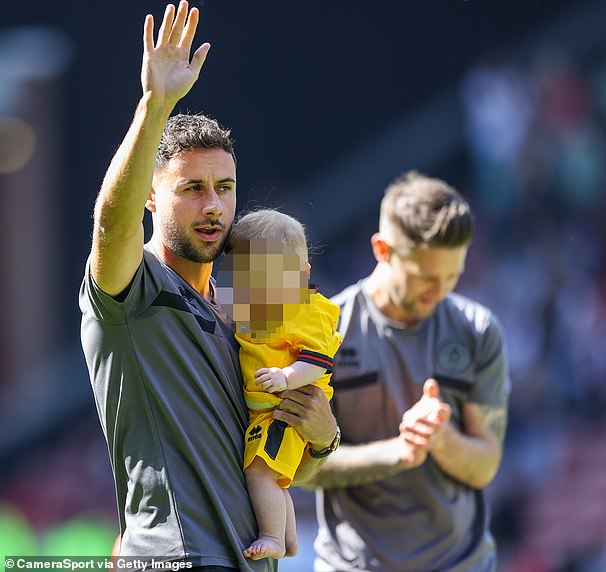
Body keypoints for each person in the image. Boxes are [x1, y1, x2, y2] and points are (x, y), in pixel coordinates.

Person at [78, 3, 338, 570]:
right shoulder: (133, 289)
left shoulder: (249, 312)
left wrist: (322, 437)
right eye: (191, 187)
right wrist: (155, 106)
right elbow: (111, 224)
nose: (213, 205)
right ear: (153, 197)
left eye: (224, 187)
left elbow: (280, 456)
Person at [307, 171, 511, 572]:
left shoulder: (478, 331)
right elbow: (301, 470)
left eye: (453, 276)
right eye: (425, 277)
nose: (440, 292)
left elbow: (486, 463)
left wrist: (440, 439)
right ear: (382, 250)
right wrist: (397, 453)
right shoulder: (324, 331)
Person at [216, 209, 342, 561]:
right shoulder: (254, 308)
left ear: (301, 276)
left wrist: (286, 378)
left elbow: (318, 361)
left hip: (284, 411)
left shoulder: (308, 310)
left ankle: (272, 536)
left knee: (260, 475)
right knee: (274, 480)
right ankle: (287, 538)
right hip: (267, 411)